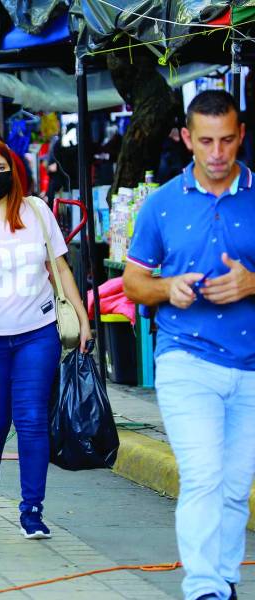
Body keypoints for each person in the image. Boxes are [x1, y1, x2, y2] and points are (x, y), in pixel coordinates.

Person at [123, 90, 255, 600]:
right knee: (203, 475)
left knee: (234, 484)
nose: (217, 152)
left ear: (241, 135)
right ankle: (203, 588)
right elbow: (134, 283)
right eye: (206, 141)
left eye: (226, 140)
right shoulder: (161, 204)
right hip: (185, 359)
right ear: (186, 140)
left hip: (250, 365)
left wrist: (251, 283)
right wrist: (166, 288)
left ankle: (224, 578)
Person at [0, 137, 91, 539]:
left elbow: (59, 268)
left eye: (0, 168)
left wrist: (83, 317)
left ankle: (32, 509)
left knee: (30, 420)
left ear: (14, 169)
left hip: (36, 334)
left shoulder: (37, 211)